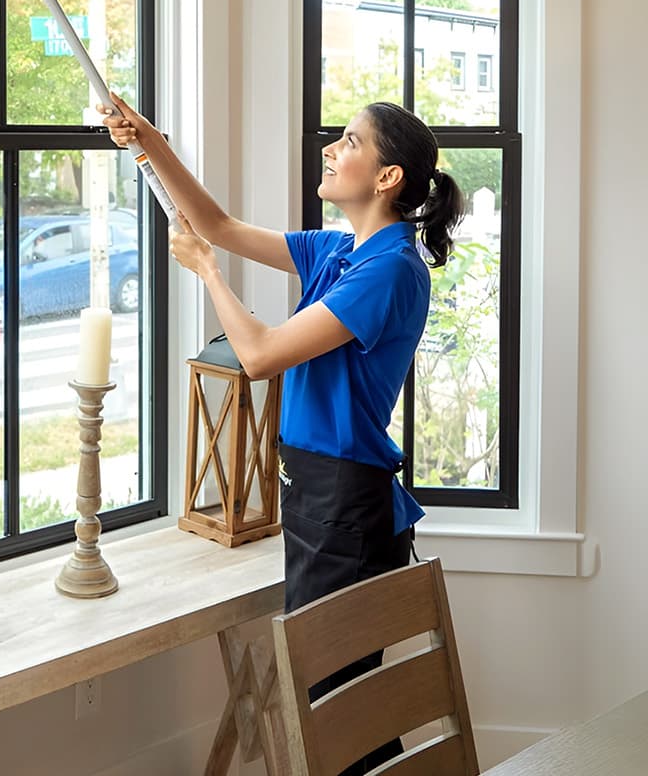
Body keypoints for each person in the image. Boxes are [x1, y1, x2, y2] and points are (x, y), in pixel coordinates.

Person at [100, 95, 464, 776]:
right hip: (315, 494)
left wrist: (208, 271)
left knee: (342, 713)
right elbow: (218, 222)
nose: (330, 149)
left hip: (345, 507)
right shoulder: (337, 250)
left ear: (387, 177)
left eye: (350, 141)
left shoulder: (389, 270)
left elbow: (262, 354)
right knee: (338, 708)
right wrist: (149, 142)